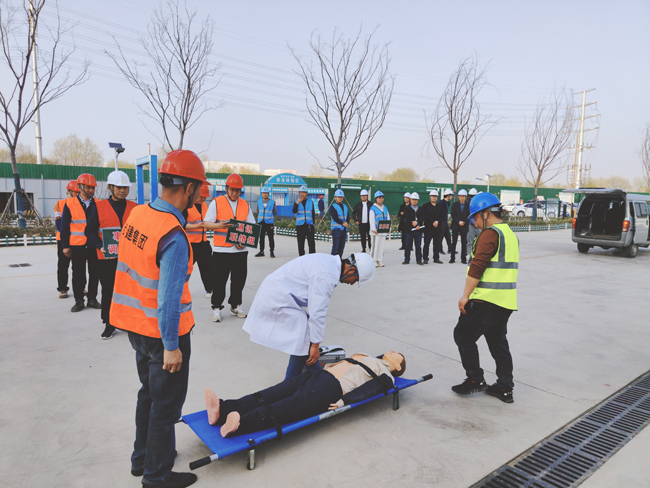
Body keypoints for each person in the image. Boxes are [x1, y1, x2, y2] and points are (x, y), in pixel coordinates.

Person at [110, 149, 206, 488]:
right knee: (166, 407)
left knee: (148, 394)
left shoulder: (138, 214)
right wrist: (172, 346)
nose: (201, 196)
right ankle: (156, 476)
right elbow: (168, 299)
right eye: (199, 189)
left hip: (135, 325)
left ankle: (143, 458)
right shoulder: (173, 236)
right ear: (189, 187)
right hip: (163, 333)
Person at [204, 351, 406, 437]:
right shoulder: (368, 356)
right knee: (273, 393)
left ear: (397, 366)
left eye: (397, 354)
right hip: (319, 375)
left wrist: (345, 401)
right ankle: (223, 410)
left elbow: (371, 390)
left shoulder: (387, 374)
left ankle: (240, 424)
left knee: (289, 406)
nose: (392, 351)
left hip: (333, 388)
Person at [243, 252, 376, 379]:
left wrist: (315, 344)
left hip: (277, 291)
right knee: (304, 338)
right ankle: (290, 382)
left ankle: (315, 376)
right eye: (355, 280)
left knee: (307, 336)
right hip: (277, 297)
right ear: (351, 269)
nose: (352, 283)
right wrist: (315, 345)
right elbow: (317, 312)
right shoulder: (327, 275)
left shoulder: (329, 264)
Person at [452, 192, 519, 404]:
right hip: (505, 301)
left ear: (487, 213)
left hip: (485, 301)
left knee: (463, 336)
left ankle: (475, 379)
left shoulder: (490, 234)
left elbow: (477, 267)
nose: (474, 222)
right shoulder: (509, 234)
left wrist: (465, 296)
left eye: (475, 216)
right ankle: (505, 387)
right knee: (498, 343)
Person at [204, 173, 254, 323]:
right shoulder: (217, 202)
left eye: (237, 190)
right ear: (226, 188)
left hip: (240, 251)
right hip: (221, 250)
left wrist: (244, 241)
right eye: (232, 190)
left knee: (239, 281)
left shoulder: (245, 204)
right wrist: (218, 225)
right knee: (219, 281)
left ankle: (235, 305)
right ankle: (216, 308)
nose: (234, 193)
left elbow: (251, 226)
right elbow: (206, 223)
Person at [95, 170, 137, 339]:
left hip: (129, 259)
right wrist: (100, 246)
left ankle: (127, 321)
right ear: (110, 188)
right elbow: (89, 231)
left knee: (130, 290)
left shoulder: (135, 208)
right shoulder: (98, 207)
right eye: (118, 187)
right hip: (106, 258)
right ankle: (109, 323)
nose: (122, 190)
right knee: (108, 291)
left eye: (125, 187)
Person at [60, 173, 102, 313]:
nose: (90, 190)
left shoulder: (99, 203)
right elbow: (64, 227)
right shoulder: (69, 203)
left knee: (95, 273)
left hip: (94, 244)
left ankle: (92, 299)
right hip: (77, 245)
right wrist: (65, 246)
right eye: (88, 187)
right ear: (80, 187)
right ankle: (79, 300)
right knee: (78, 274)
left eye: (93, 187)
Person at [185, 182, 213, 297]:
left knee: (208, 268)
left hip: (203, 242)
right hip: (190, 244)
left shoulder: (205, 205)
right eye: (201, 196)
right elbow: (181, 224)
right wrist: (196, 226)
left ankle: (210, 289)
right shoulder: (186, 206)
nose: (203, 199)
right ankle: (180, 289)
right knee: (185, 270)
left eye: (205, 197)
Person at [54, 180, 80, 298]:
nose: (77, 194)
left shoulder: (81, 204)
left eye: (79, 192)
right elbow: (58, 223)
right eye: (75, 192)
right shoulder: (59, 204)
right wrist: (66, 238)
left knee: (78, 266)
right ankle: (63, 288)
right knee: (63, 265)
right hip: (63, 239)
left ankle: (80, 287)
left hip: (78, 239)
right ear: (68, 191)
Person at [422, 190, 444, 264]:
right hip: (428, 228)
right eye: (432, 196)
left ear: (437, 197)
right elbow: (426, 216)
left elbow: (442, 216)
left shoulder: (440, 206)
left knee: (437, 244)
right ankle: (425, 258)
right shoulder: (425, 206)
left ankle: (436, 258)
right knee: (426, 244)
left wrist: (437, 221)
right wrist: (433, 222)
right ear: (430, 197)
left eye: (435, 196)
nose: (434, 198)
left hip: (438, 228)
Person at [293, 185, 316, 256]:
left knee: (311, 243)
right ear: (299, 193)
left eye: (304, 192)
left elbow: (313, 214)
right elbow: (294, 211)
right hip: (300, 225)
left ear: (307, 194)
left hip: (309, 225)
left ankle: (312, 257)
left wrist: (313, 224)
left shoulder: (310, 202)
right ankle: (302, 258)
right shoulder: (296, 202)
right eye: (301, 192)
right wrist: (297, 203)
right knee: (301, 244)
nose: (303, 194)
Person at [402, 192, 424, 265]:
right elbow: (407, 218)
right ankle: (406, 259)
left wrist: (417, 223)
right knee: (407, 245)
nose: (414, 201)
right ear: (410, 200)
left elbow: (422, 217)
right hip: (409, 230)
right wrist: (413, 222)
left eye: (416, 200)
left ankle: (419, 260)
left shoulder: (421, 209)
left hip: (418, 229)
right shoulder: (407, 208)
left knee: (418, 246)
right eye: (413, 199)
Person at [369, 191, 390, 267]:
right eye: (379, 198)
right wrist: (373, 229)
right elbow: (371, 219)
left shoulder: (385, 208)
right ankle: (373, 260)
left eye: (382, 198)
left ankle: (379, 260)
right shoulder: (373, 208)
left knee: (381, 246)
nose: (381, 199)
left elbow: (388, 218)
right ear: (375, 199)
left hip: (383, 230)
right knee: (375, 246)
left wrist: (389, 228)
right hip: (376, 231)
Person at [450, 189, 471, 264]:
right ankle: (452, 258)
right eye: (461, 196)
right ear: (458, 197)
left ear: (465, 197)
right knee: (454, 242)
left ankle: (463, 259)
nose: (462, 198)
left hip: (464, 226)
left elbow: (469, 215)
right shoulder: (455, 204)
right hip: (456, 225)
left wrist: (464, 222)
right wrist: (458, 221)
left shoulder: (468, 206)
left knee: (464, 243)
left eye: (463, 196)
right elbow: (453, 214)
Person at [255, 187, 276, 258]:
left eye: (266, 193)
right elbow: (257, 211)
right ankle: (261, 251)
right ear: (261, 194)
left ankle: (272, 251)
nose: (265, 194)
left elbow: (275, 212)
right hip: (261, 222)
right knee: (261, 237)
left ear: (268, 194)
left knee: (271, 238)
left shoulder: (272, 202)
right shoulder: (258, 201)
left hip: (269, 222)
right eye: (263, 193)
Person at [330, 189, 349, 257]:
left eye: (341, 197)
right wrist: (343, 223)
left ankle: (339, 260)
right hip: (336, 229)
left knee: (341, 248)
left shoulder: (345, 206)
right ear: (335, 198)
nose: (340, 198)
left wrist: (346, 223)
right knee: (336, 247)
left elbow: (348, 216)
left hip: (343, 229)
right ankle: (333, 261)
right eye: (338, 197)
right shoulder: (333, 207)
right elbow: (335, 217)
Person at [352, 189, 372, 253]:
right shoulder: (358, 204)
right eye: (362, 196)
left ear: (367, 196)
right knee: (363, 237)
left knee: (370, 236)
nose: (363, 197)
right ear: (360, 196)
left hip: (369, 224)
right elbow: (353, 213)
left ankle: (370, 248)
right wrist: (356, 220)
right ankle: (363, 249)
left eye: (365, 195)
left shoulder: (371, 204)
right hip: (361, 224)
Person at [466, 188, 481, 261]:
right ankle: (469, 254)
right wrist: (474, 222)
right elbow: (468, 214)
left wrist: (478, 222)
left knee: (480, 240)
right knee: (470, 240)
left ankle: (478, 253)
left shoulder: (479, 203)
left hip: (478, 224)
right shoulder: (468, 204)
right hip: (471, 224)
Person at [439, 189, 454, 255]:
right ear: (448, 196)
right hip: (442, 222)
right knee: (441, 236)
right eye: (451, 196)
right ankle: (440, 249)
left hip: (445, 221)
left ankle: (450, 249)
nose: (452, 197)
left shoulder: (448, 203)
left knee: (448, 236)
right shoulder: (441, 203)